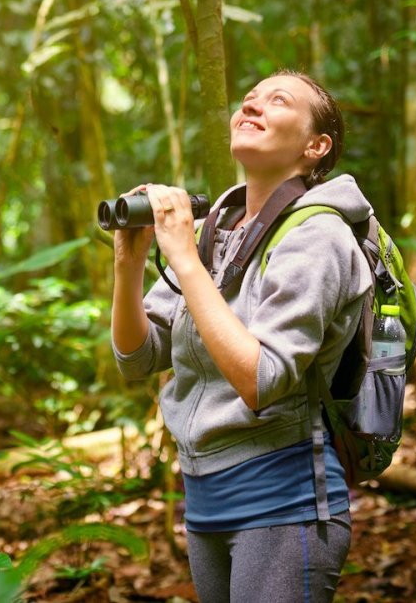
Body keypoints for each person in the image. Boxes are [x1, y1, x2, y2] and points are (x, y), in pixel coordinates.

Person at [109, 70, 373, 602]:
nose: (251, 106)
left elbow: (262, 379)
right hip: (205, 499)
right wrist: (129, 265)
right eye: (249, 99)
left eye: (277, 101)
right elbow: (137, 358)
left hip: (284, 499)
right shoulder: (216, 230)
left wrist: (183, 257)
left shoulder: (319, 236)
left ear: (315, 147)